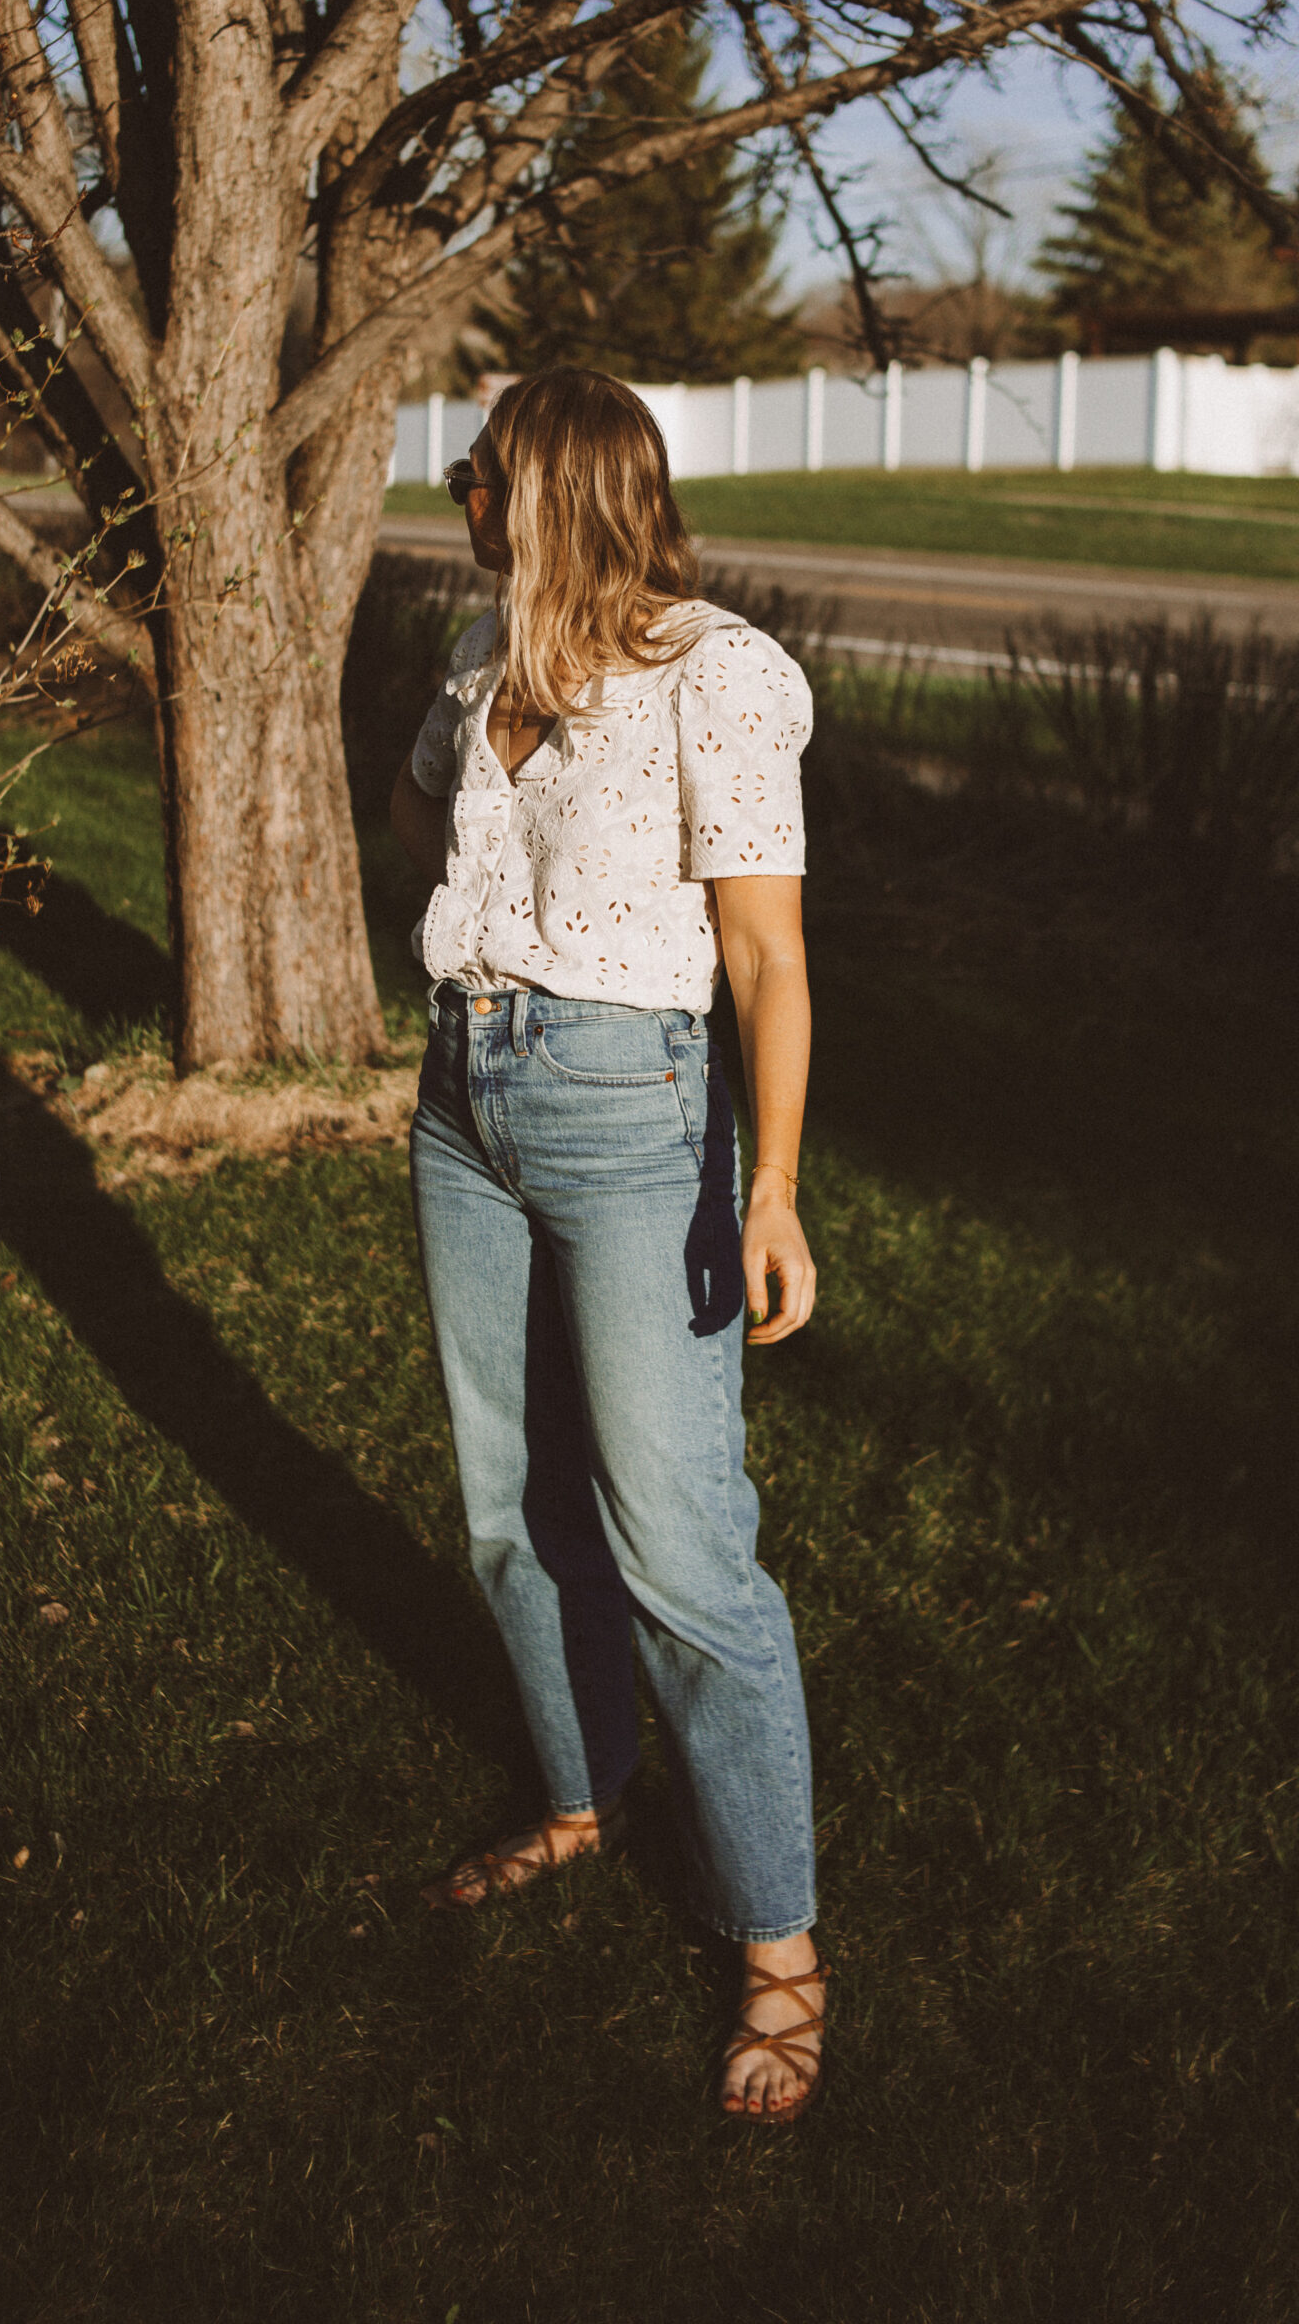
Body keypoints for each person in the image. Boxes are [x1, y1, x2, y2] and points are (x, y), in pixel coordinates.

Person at [390, 366, 826, 2122]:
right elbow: (418, 805)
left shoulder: (716, 676)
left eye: (475, 475)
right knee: (510, 1502)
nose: (455, 497)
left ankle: (781, 1947)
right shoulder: (477, 669)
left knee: (681, 1545)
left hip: (633, 1111)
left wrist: (773, 1184)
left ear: (548, 490)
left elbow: (770, 959)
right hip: (463, 1102)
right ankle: (581, 1800)